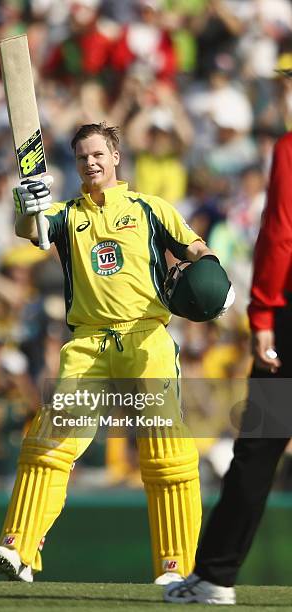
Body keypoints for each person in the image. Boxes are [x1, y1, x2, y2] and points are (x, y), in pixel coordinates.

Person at [0, 122, 230, 584]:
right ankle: (19, 548)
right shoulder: (65, 214)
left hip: (145, 339)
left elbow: (196, 248)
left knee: (167, 454)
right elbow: (34, 232)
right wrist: (27, 205)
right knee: (50, 442)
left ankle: (176, 567)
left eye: (98, 154)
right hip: (87, 344)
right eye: (82, 157)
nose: (90, 163)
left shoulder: (149, 208)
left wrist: (214, 279)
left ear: (115, 156)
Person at [164, 119, 292, 605]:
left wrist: (263, 313)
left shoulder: (290, 146)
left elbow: (281, 232)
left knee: (259, 448)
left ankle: (216, 576)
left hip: (287, 321)